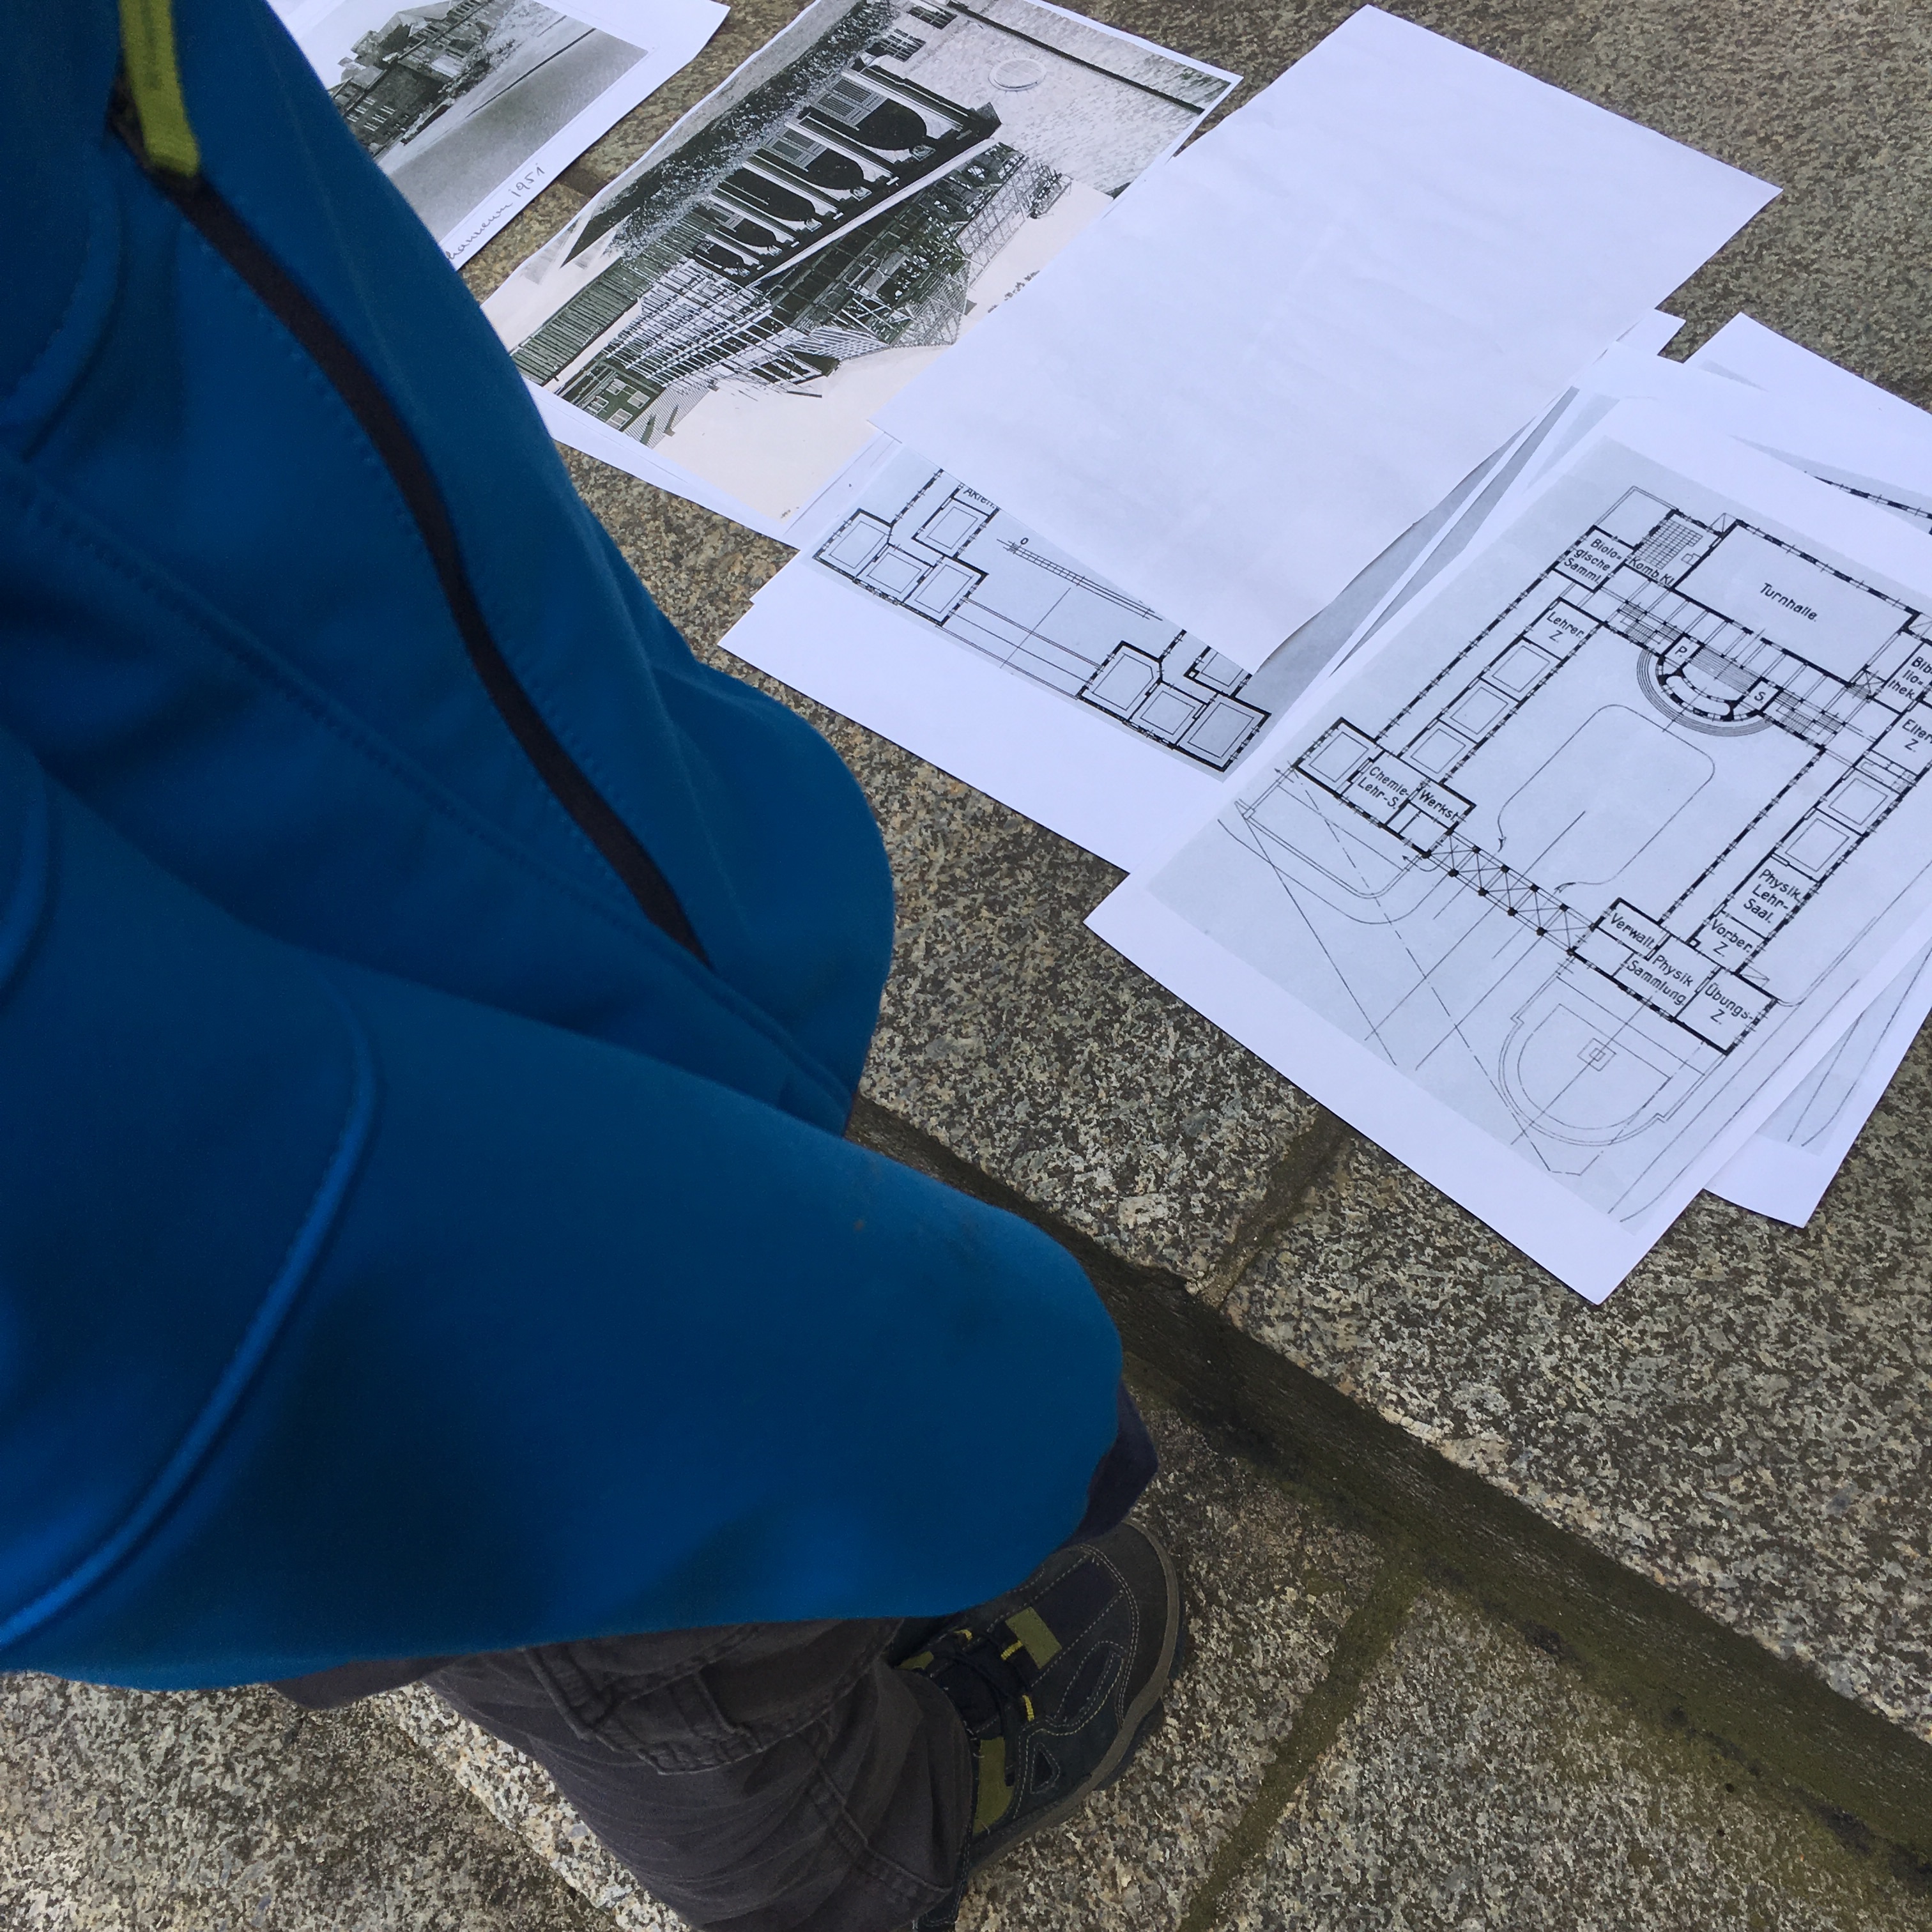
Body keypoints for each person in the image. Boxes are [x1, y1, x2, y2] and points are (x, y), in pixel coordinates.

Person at [0, 1, 1181, 1926]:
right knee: (662, 1658)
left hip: (481, 906)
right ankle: (851, 1857)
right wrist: (970, 1393)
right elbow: (167, 1268)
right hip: (449, 1302)